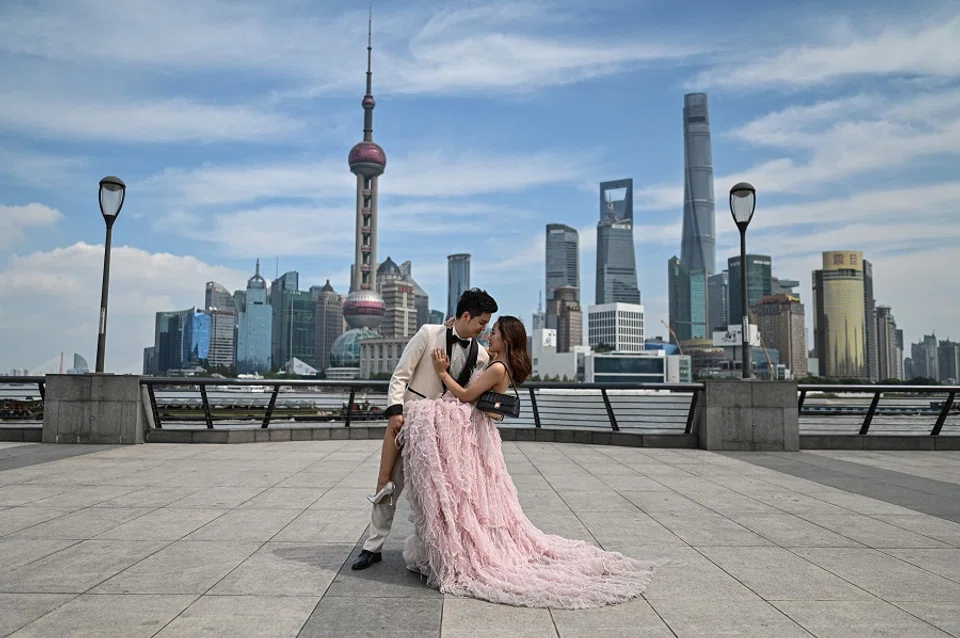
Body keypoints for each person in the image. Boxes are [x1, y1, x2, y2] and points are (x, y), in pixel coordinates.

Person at [400, 315, 661, 608]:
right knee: (479, 494)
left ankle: (475, 549)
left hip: (473, 434)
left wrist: (441, 371)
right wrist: (450, 328)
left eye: (494, 332)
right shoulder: (496, 364)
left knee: (473, 495)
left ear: (506, 340)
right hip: (478, 435)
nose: (488, 335)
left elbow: (464, 395)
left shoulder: (498, 367)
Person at [351, 288, 497, 570]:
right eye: (482, 322)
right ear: (466, 315)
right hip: (407, 424)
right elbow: (400, 375)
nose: (484, 328)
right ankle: (372, 547)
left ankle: (436, 551)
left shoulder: (480, 354)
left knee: (439, 494)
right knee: (389, 484)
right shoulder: (428, 334)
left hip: (445, 434)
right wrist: (395, 412)